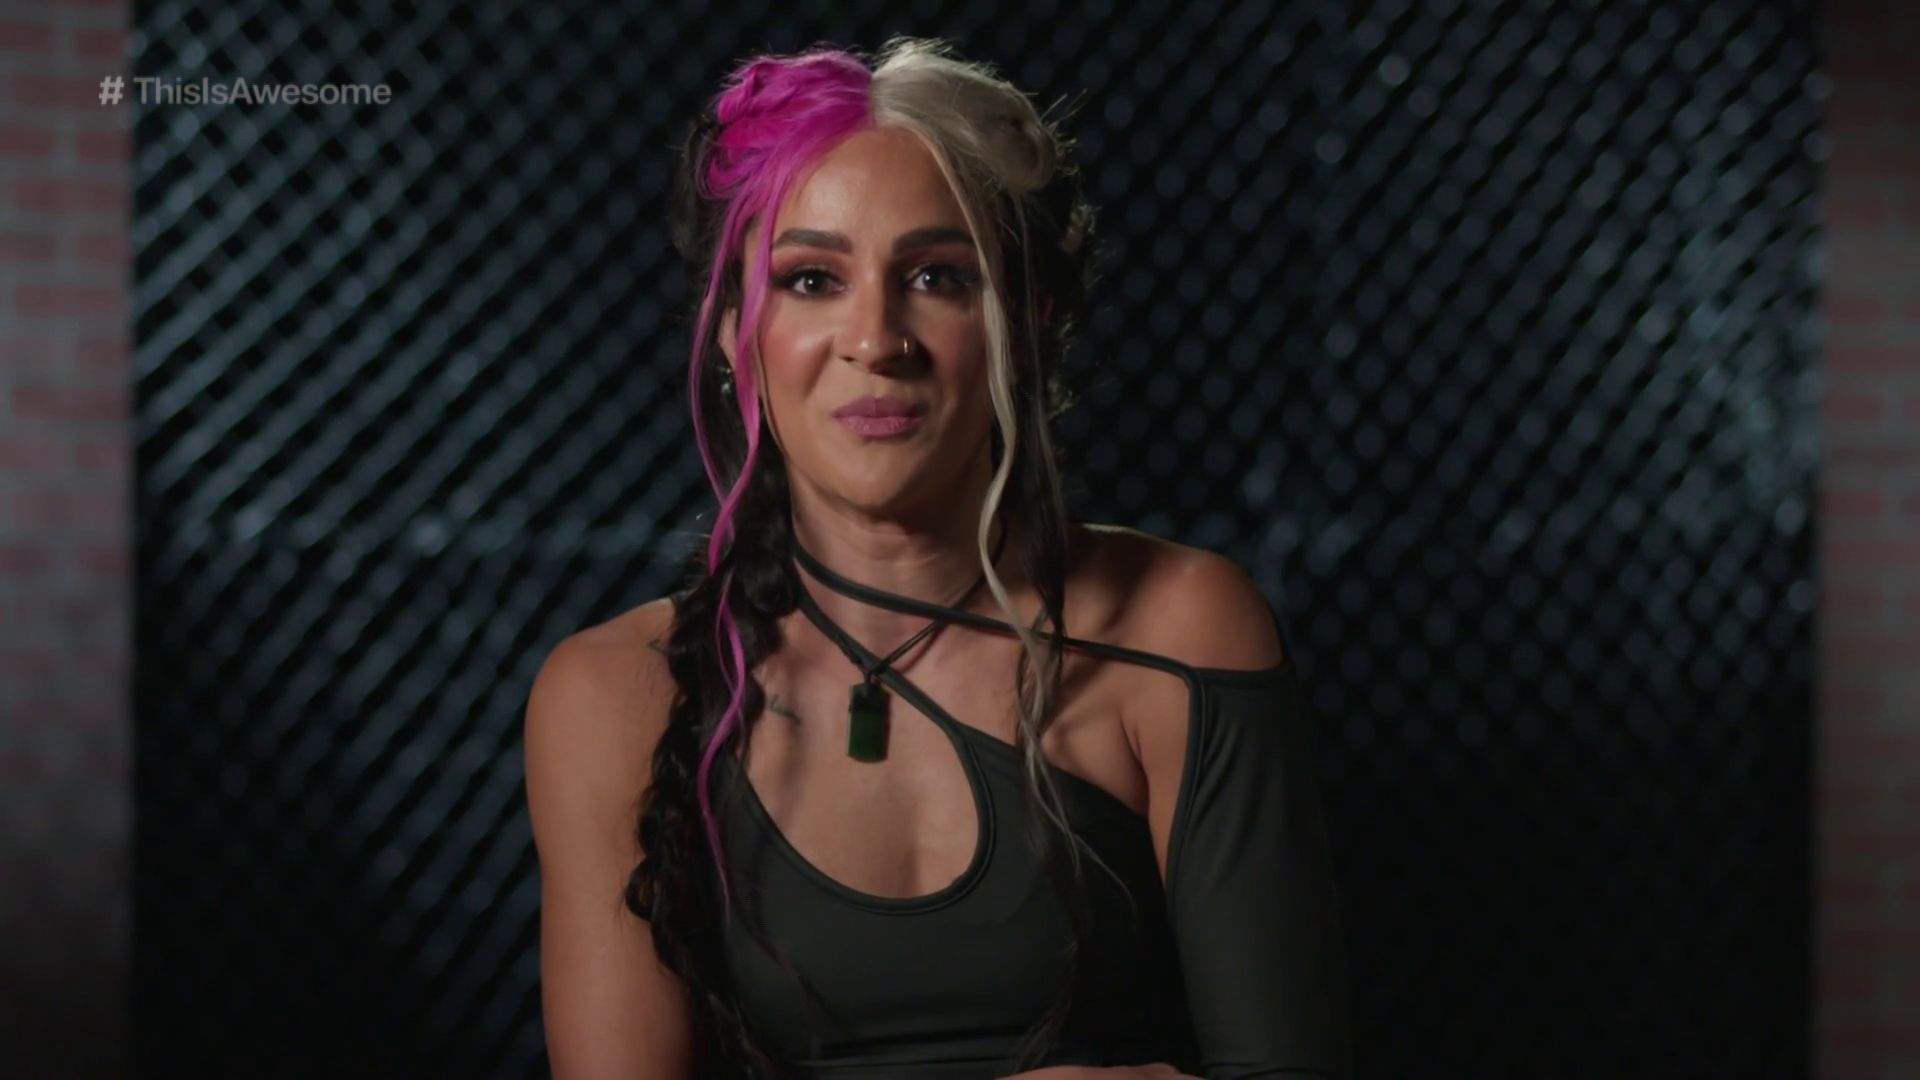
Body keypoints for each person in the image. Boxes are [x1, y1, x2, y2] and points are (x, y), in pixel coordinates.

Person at [524, 37, 1350, 1080]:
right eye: (812, 278)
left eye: (935, 276)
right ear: (735, 337)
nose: (876, 339)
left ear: (1025, 323)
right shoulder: (614, 698)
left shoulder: (1179, 628)